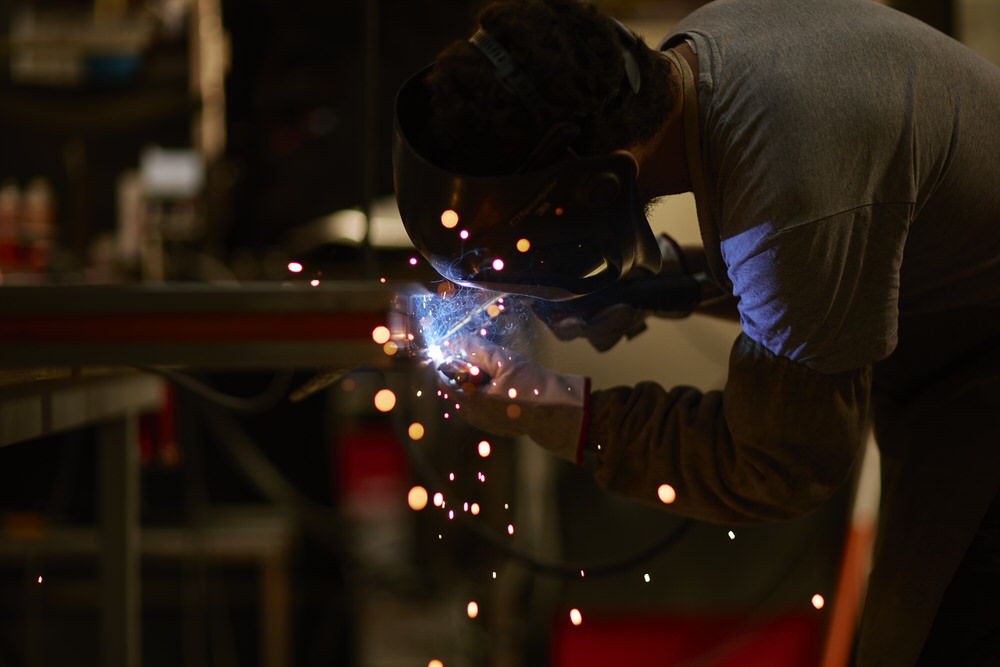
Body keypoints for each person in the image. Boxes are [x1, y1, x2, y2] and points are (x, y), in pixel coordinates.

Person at [390, 0, 1000, 664]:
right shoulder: (716, 46)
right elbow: (837, 269)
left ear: (588, 193)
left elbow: (781, 465)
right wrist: (664, 286)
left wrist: (558, 408)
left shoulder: (788, 189)